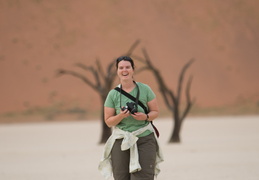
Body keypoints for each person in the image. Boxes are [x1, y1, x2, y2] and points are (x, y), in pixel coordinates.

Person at [98, 56, 163, 180]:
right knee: (121, 177)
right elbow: (109, 122)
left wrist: (145, 116)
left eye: (128, 67)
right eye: (121, 68)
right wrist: (121, 115)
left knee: (143, 177)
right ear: (117, 71)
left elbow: (155, 112)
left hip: (144, 138)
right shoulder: (113, 94)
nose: (124, 70)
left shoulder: (145, 89)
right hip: (121, 140)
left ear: (133, 69)